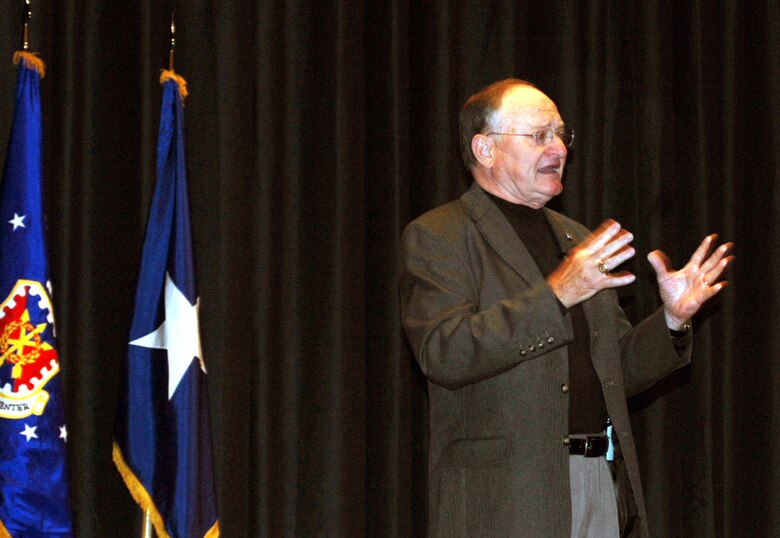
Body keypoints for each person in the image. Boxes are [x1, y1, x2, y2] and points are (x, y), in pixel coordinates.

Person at [399, 78, 732, 538]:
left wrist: (673, 319)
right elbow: (445, 352)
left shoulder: (577, 238)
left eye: (560, 135)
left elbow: (616, 369)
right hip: (506, 496)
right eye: (538, 136)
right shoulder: (442, 234)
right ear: (485, 148)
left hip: (597, 481)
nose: (558, 148)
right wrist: (556, 294)